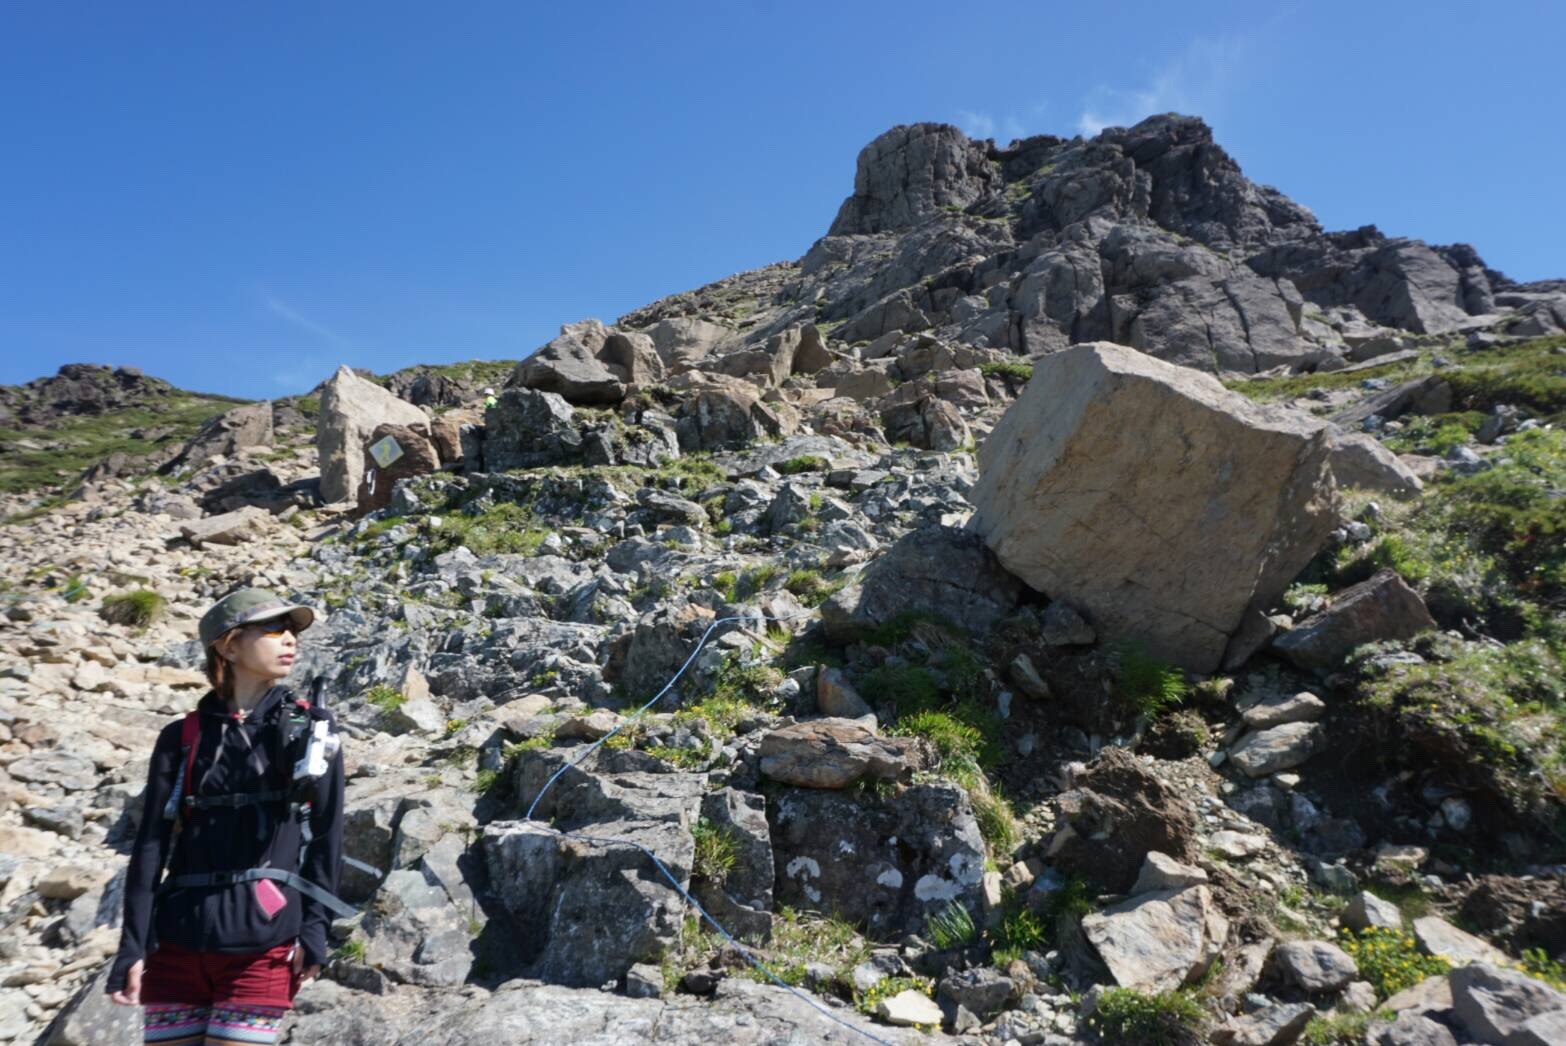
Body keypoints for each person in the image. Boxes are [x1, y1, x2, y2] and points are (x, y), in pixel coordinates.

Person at [106, 588, 347, 1046]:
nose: (289, 639)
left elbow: (328, 834)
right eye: (274, 629)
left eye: (292, 630)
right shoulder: (181, 736)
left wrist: (315, 929)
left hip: (263, 945)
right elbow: (150, 846)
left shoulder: (311, 729)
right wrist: (132, 946)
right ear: (228, 644)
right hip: (175, 944)